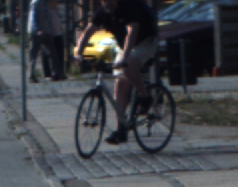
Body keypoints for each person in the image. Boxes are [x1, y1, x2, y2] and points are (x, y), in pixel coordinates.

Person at [72, 0, 157, 144]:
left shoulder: (129, 5)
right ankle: (121, 128)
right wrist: (79, 53)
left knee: (127, 66)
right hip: (125, 45)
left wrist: (124, 56)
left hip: (145, 42)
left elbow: (132, 31)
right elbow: (89, 31)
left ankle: (145, 96)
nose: (107, 3)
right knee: (120, 84)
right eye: (104, 1)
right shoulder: (103, 11)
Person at [28, 0, 64, 80]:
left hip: (46, 31)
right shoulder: (36, 2)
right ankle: (31, 75)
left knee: (53, 52)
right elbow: (33, 17)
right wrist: (38, 29)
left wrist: (50, 29)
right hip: (36, 32)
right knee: (34, 53)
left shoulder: (45, 3)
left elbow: (47, 17)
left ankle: (56, 73)